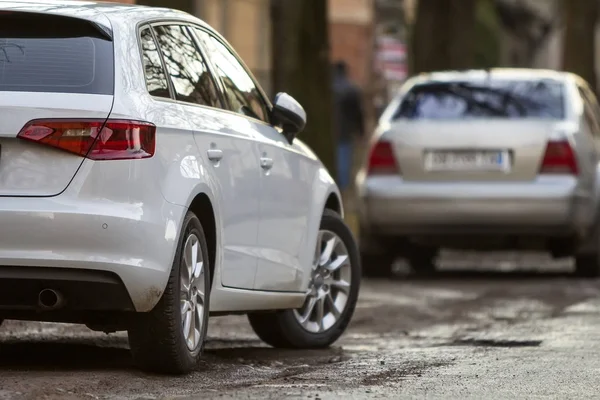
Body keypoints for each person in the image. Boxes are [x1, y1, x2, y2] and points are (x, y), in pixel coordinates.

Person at [332, 60, 365, 193]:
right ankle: (342, 190)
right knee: (344, 164)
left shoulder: (327, 88)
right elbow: (358, 113)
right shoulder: (351, 89)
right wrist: (360, 131)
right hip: (345, 132)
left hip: (331, 132)